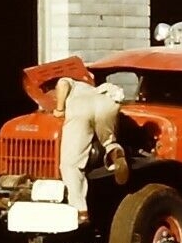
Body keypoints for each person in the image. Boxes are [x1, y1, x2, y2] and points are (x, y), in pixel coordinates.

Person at [52, 75, 128, 220]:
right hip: (107, 103)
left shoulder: (69, 82)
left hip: (81, 108)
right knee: (108, 139)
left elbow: (63, 84)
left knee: (71, 165)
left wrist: (59, 109)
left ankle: (80, 211)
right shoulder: (92, 88)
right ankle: (113, 150)